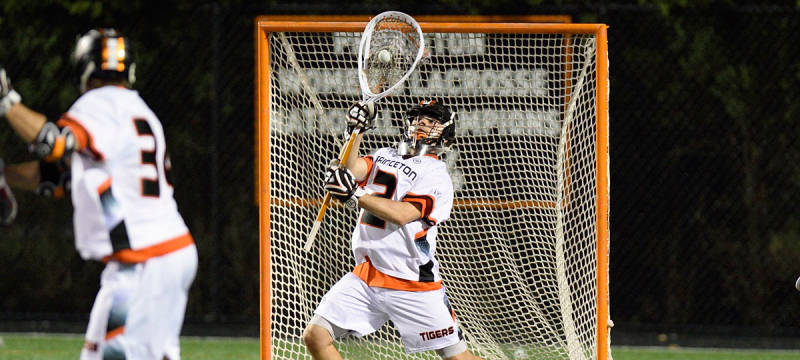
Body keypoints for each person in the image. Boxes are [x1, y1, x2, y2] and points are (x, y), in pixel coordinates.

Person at [0, 28, 196, 360]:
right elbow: (58, 176)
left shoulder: (100, 104)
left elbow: (54, 142)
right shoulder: (139, 111)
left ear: (85, 68)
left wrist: (7, 101)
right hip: (160, 255)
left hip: (144, 260)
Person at [302, 100, 483, 360]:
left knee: (458, 358)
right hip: (368, 275)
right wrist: (355, 131)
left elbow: (402, 214)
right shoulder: (383, 155)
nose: (421, 123)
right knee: (316, 336)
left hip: (411, 280)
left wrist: (354, 193)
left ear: (445, 134)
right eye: (418, 117)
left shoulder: (436, 173)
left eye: (431, 121)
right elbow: (350, 169)